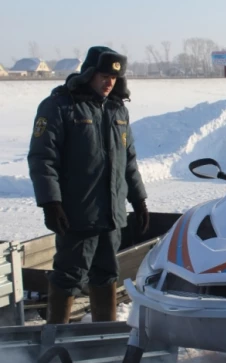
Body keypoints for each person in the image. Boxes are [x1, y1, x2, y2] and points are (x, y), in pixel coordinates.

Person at [27, 46, 150, 324]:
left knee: (107, 273)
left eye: (114, 78)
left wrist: (139, 201)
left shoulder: (118, 109)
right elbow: (42, 158)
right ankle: (55, 338)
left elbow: (128, 162)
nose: (109, 83)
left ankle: (102, 334)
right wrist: (51, 202)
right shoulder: (60, 106)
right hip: (77, 213)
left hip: (111, 214)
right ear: (90, 74)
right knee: (69, 275)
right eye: (104, 76)